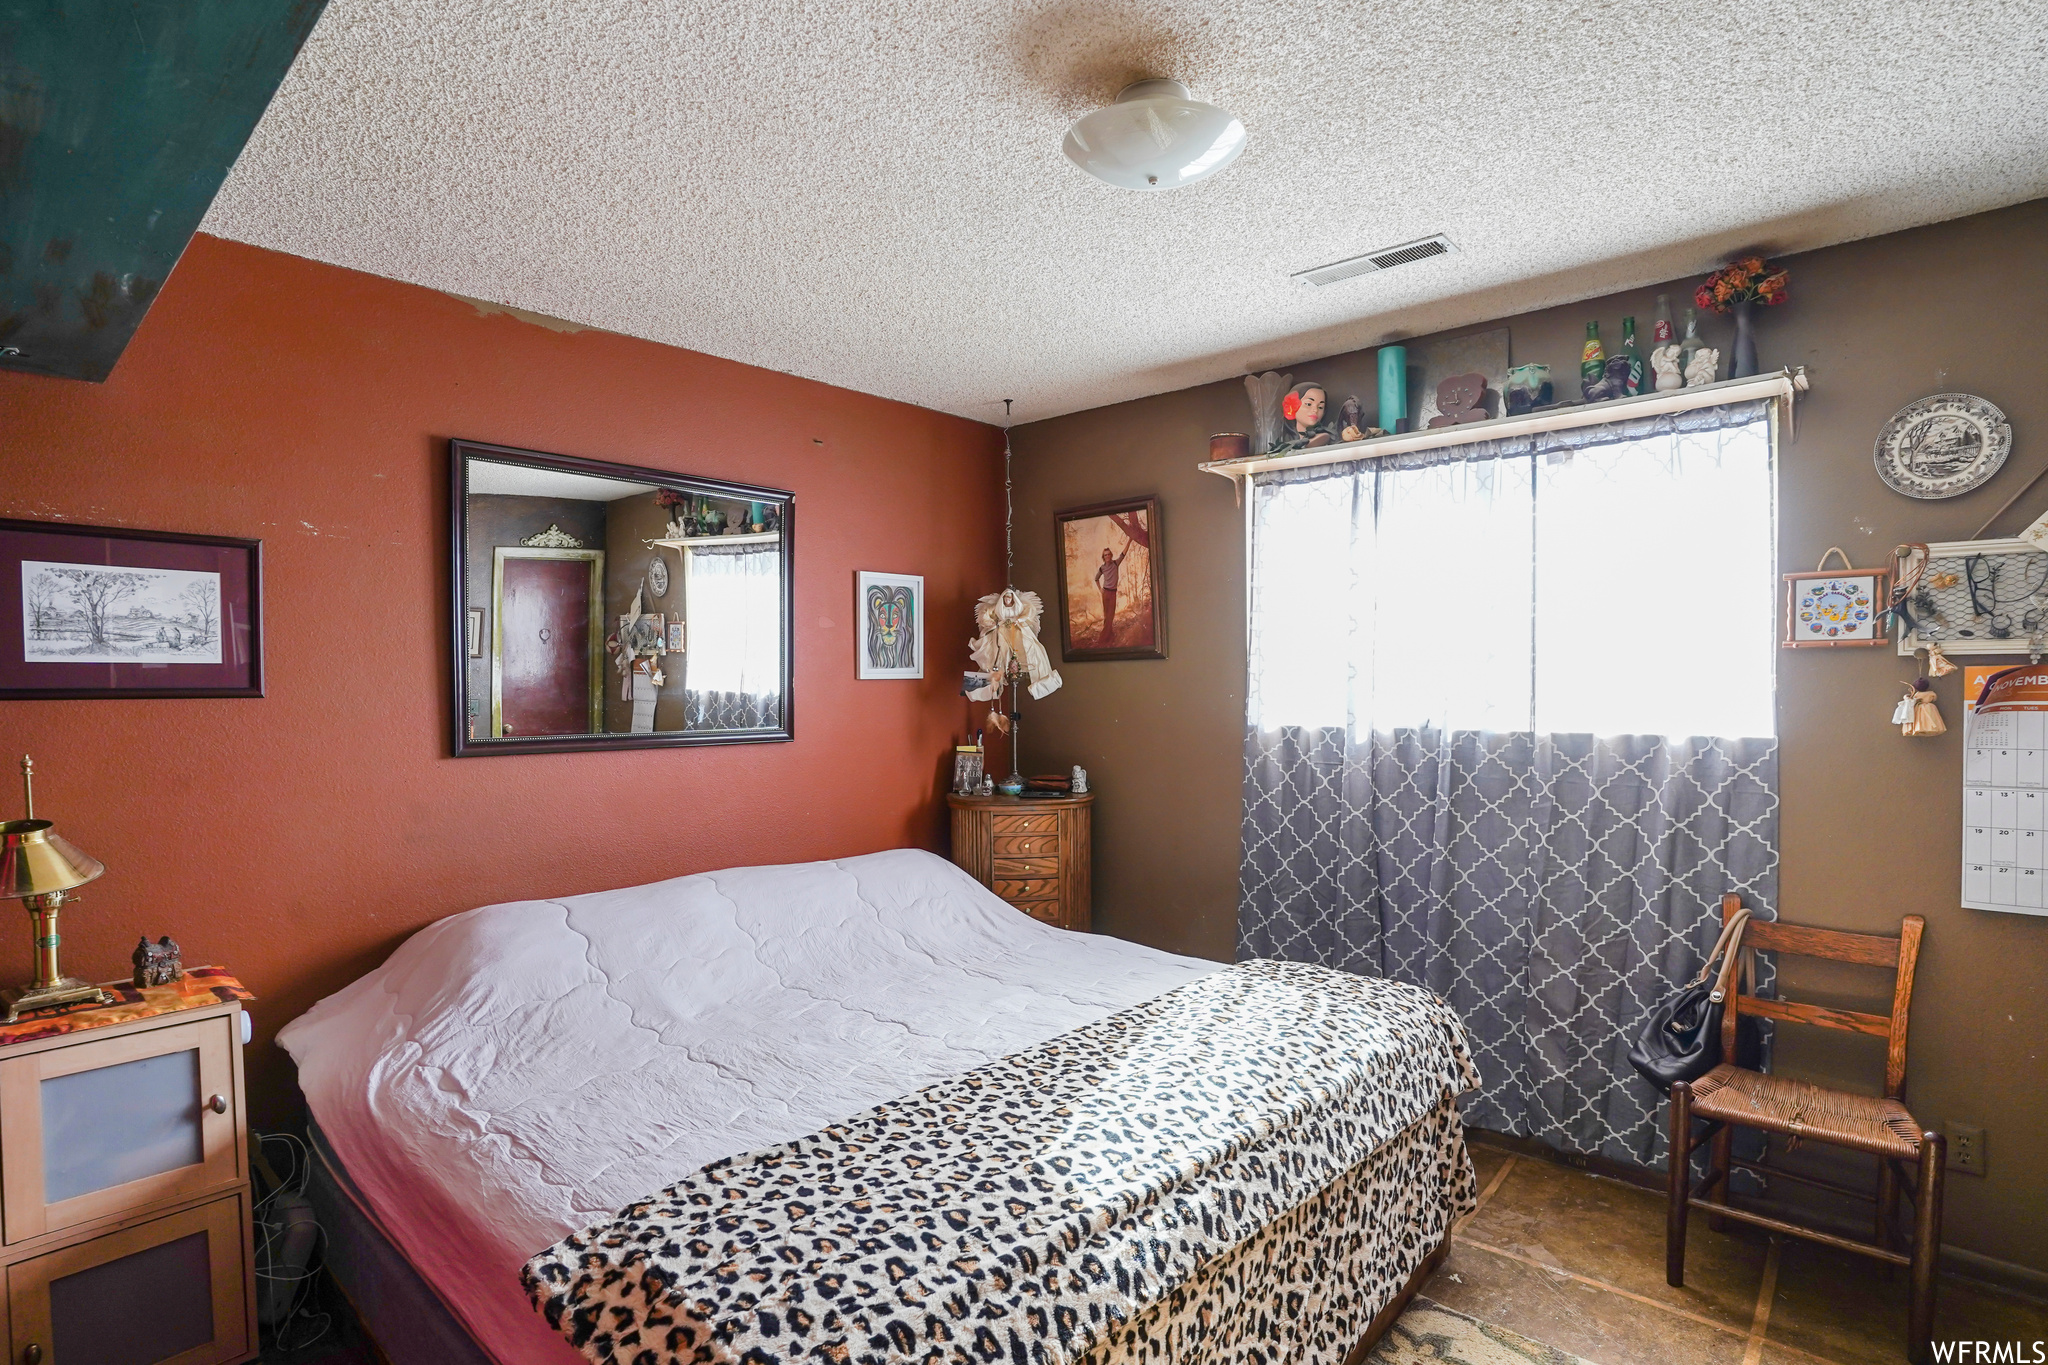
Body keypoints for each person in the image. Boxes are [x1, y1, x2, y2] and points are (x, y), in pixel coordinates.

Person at [1095, 542, 1134, 645]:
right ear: (1103, 557)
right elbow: (1096, 579)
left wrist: (1129, 540)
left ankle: (1103, 639)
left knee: (1110, 616)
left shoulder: (1116, 563)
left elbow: (1123, 554)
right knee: (1106, 616)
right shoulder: (1102, 568)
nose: (1107, 556)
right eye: (1105, 555)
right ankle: (1109, 636)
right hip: (1105, 593)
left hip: (1112, 593)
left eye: (1108, 554)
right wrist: (1100, 589)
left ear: (1111, 555)